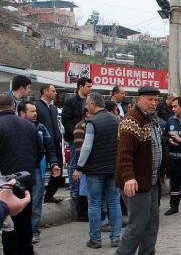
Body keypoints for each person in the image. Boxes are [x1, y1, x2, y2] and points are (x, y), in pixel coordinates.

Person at [115, 86, 163, 255]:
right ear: (139, 100)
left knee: (152, 224)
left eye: (156, 100)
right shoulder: (131, 120)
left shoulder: (152, 119)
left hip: (151, 181)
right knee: (137, 225)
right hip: (136, 183)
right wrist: (128, 177)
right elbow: (124, 153)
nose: (153, 103)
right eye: (149, 99)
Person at [71, 93, 121, 248]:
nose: (86, 106)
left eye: (87, 103)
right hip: (113, 169)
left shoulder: (92, 123)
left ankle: (95, 239)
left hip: (95, 171)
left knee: (94, 204)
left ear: (93, 104)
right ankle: (115, 238)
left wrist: (79, 167)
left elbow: (86, 148)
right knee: (114, 202)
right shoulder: (116, 120)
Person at [17, 102, 61, 244]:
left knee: (35, 204)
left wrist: (54, 164)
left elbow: (49, 148)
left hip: (37, 171)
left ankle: (34, 231)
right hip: (16, 173)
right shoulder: (14, 128)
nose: (35, 114)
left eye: (36, 111)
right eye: (31, 111)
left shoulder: (41, 128)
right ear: (22, 113)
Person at [0, 93, 38, 255]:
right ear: (14, 106)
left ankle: (12, 251)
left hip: (4, 181)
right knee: (25, 219)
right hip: (26, 179)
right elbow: (39, 151)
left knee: (8, 222)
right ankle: (26, 250)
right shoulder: (29, 126)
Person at [62, 77, 93, 205]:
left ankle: (83, 190)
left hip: (90, 137)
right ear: (80, 87)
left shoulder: (91, 101)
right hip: (76, 138)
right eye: (88, 86)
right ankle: (74, 189)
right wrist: (76, 132)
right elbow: (66, 119)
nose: (91, 89)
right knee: (75, 163)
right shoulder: (71, 102)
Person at [37, 84, 64, 204]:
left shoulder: (53, 108)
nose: (56, 93)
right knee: (41, 171)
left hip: (56, 143)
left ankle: (49, 195)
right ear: (45, 91)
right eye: (53, 91)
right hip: (42, 143)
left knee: (59, 170)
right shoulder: (37, 106)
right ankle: (38, 196)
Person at [73, 107, 93, 222]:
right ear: (87, 113)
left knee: (86, 189)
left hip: (88, 163)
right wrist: (82, 165)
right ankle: (81, 213)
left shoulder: (91, 125)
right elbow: (80, 149)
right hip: (84, 163)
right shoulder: (80, 127)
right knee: (83, 190)